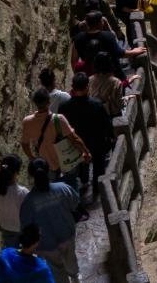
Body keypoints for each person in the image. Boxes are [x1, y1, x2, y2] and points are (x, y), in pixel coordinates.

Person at [19, 159, 80, 283]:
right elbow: (75, 203)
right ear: (48, 170)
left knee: (56, 269)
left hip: (46, 245)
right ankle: (75, 277)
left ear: (31, 176)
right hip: (67, 235)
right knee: (70, 259)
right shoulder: (63, 188)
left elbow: (26, 226)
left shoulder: (28, 202)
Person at [57, 73, 113, 202]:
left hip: (76, 144)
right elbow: (106, 124)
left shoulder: (64, 107)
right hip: (96, 143)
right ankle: (97, 190)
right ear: (87, 87)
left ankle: (83, 184)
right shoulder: (97, 104)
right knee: (98, 167)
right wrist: (110, 138)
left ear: (72, 87)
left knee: (81, 166)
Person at [19, 90, 91, 181]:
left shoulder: (27, 122)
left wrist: (32, 158)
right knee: (71, 182)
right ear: (49, 102)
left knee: (52, 185)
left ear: (35, 103)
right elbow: (74, 139)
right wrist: (86, 152)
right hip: (66, 159)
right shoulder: (58, 119)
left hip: (47, 163)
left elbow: (25, 144)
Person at [71, 11, 145, 79]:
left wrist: (79, 76)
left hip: (90, 75)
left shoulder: (78, 38)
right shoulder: (107, 36)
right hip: (111, 74)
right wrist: (134, 51)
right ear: (100, 23)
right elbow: (119, 53)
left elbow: (74, 60)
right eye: (102, 21)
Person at [0, 155, 29, 248]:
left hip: (4, 226)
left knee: (9, 253)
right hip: (21, 228)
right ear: (16, 173)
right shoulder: (23, 192)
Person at [89, 52, 138, 118]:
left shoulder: (90, 80)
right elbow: (119, 104)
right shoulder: (115, 82)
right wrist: (127, 98)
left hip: (94, 114)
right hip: (111, 116)